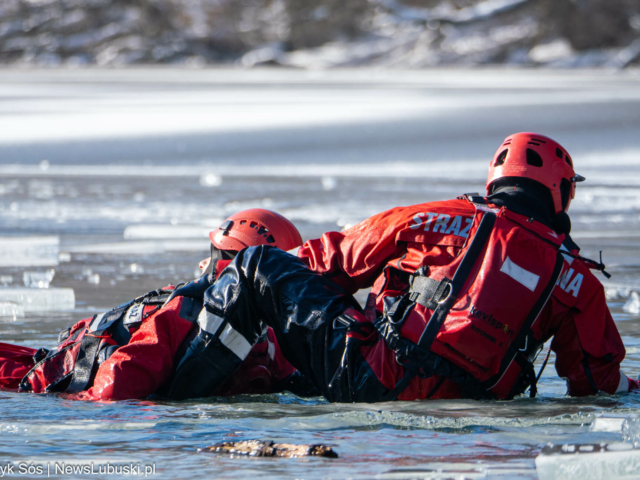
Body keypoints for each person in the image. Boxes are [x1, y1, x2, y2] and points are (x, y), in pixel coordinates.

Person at [169, 132, 639, 402]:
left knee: (254, 264)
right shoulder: (577, 281)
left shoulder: (434, 217)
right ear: (559, 191)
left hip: (368, 377)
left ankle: (177, 397)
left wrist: (235, 283)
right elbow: (596, 382)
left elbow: (331, 261)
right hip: (470, 412)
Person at [1, 209, 314, 401]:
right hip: (52, 377)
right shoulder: (187, 312)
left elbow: (291, 378)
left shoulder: (267, 332)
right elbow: (117, 381)